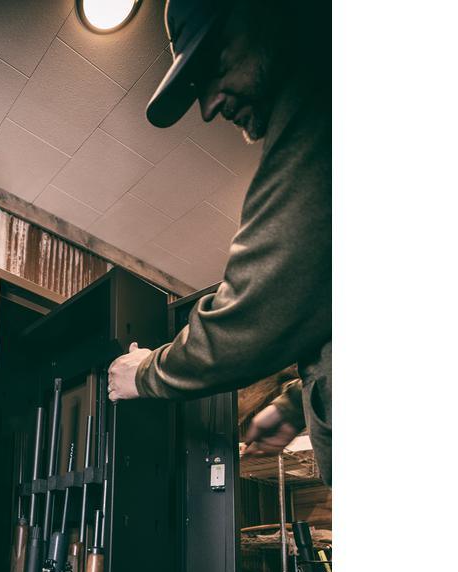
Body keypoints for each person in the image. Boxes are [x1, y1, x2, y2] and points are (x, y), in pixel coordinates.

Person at [107, 0, 331, 484]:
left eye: (212, 65)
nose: (208, 108)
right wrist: (297, 403)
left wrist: (145, 373)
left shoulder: (324, 106)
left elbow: (255, 311)